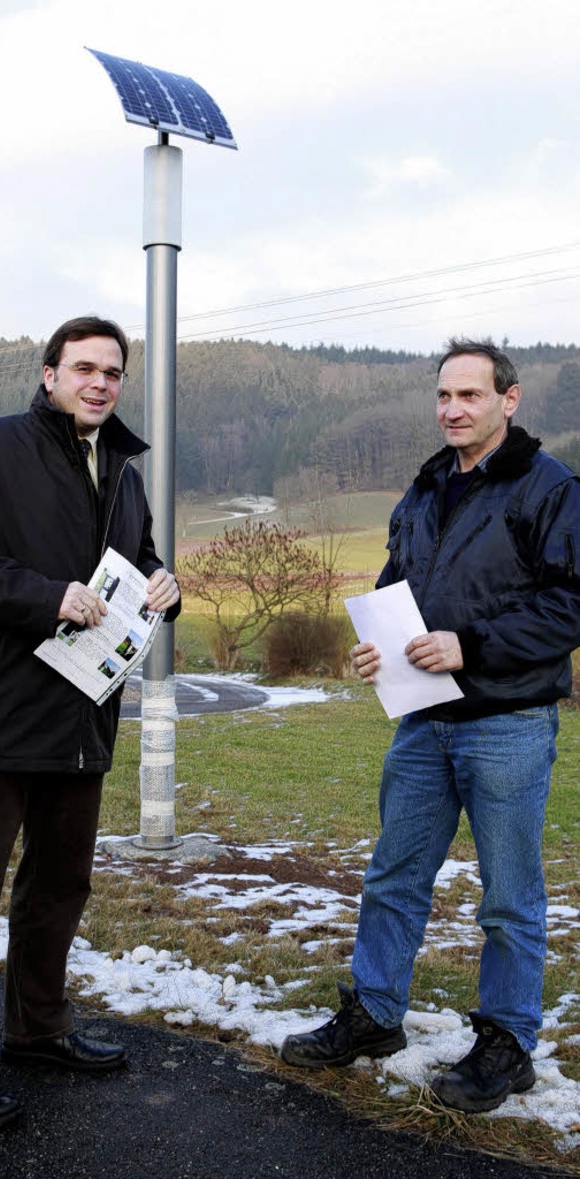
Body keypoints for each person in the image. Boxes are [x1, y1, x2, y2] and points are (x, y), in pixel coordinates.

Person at [281, 337, 580, 1114]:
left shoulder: (549, 488)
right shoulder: (422, 491)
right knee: (392, 875)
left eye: (470, 396)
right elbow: (395, 583)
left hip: (507, 722)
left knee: (509, 895)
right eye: (444, 395)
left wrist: (467, 646)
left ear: (508, 401)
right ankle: (376, 1014)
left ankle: (508, 1043)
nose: (453, 409)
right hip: (421, 722)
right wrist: (376, 643)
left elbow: (568, 604)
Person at [0, 316, 180, 1128]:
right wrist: (44, 596)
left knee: (59, 885)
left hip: (83, 709)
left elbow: (136, 555)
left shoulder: (123, 469)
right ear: (49, 375)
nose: (101, 383)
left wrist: (159, 580)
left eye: (113, 371)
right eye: (84, 368)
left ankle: (40, 1027)